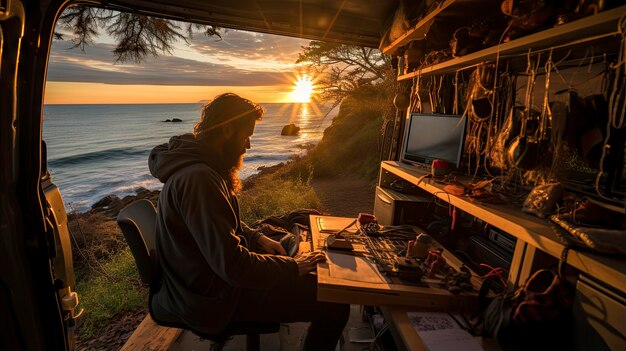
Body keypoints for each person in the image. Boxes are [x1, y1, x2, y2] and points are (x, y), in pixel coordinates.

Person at [148, 93, 350, 350]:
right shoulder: (200, 179)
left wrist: (257, 237)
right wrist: (292, 268)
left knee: (292, 248)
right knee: (333, 302)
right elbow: (233, 266)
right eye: (246, 135)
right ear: (228, 130)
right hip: (209, 299)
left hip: (201, 283)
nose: (249, 146)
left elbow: (217, 225)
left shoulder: (201, 166)